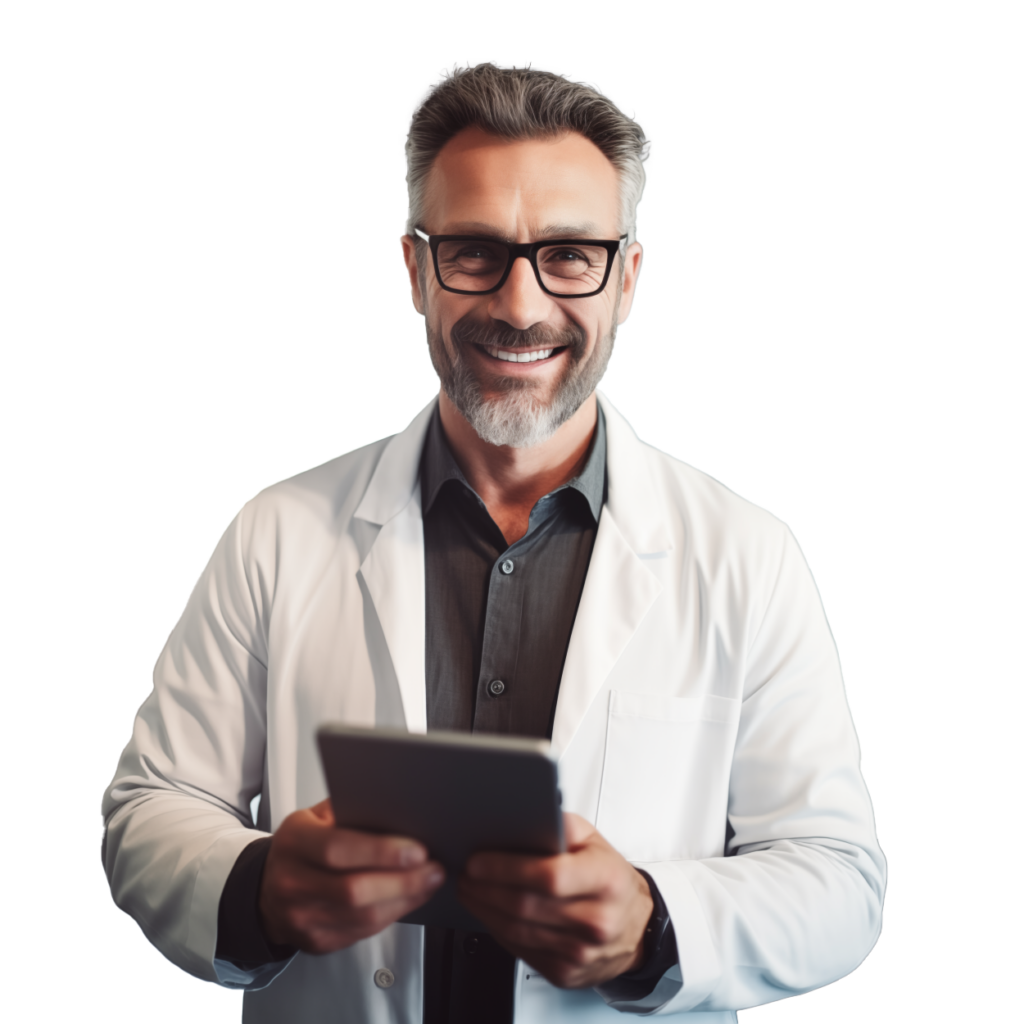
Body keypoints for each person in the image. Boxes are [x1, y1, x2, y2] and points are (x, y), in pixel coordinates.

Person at [100, 61, 886, 1023]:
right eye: (474, 251)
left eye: (570, 255)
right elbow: (149, 809)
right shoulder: (277, 528)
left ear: (627, 277)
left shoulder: (748, 554)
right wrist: (257, 888)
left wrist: (653, 922)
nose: (520, 306)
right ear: (415, 270)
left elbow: (838, 881)